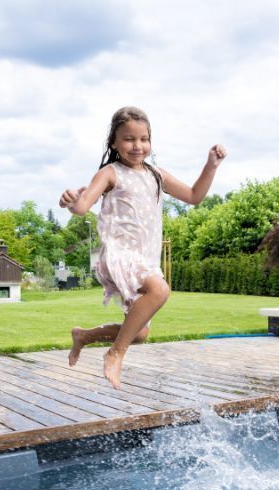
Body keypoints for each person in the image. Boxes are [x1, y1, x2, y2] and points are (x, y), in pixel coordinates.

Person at [59, 106, 226, 389]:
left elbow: (195, 196)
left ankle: (84, 336)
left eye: (143, 139)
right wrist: (71, 200)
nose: (137, 146)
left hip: (145, 260)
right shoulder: (110, 173)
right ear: (113, 142)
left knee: (139, 333)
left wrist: (211, 165)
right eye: (128, 139)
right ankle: (115, 353)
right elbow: (83, 206)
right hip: (120, 255)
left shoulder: (156, 174)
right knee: (160, 290)